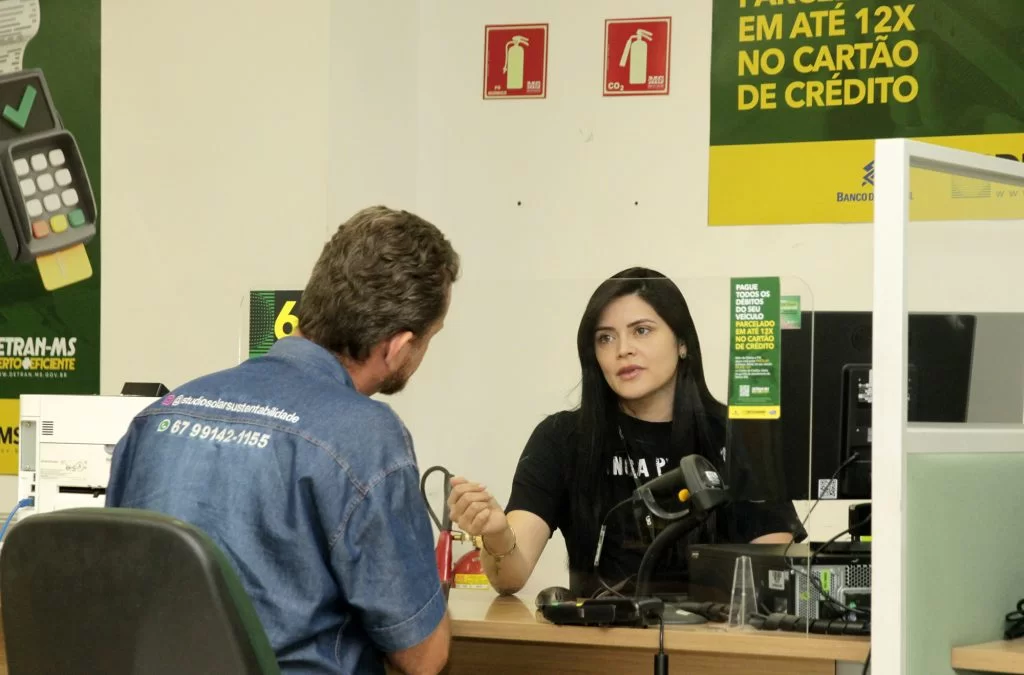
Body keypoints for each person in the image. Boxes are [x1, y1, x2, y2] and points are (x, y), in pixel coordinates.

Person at [106, 206, 459, 675]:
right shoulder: (366, 435)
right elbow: (423, 657)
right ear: (397, 347)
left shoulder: (159, 415)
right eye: (429, 338)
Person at [448, 267, 805, 598]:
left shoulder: (737, 436)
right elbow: (509, 578)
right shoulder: (562, 438)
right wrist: (496, 533)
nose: (623, 350)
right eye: (605, 338)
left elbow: (774, 574)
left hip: (714, 638)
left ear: (682, 342)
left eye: (641, 330)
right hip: (601, 638)